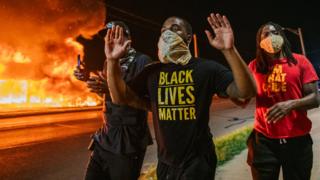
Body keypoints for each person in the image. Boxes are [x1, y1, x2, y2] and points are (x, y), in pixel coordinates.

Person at [104, 13, 256, 180]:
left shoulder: (206, 69)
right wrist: (112, 61)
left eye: (175, 29)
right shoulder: (152, 72)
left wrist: (229, 50)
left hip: (197, 162)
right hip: (165, 164)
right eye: (163, 30)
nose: (167, 33)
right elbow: (121, 98)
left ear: (188, 38)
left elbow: (246, 91)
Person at [74, 21, 153, 180]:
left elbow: (149, 102)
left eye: (116, 35)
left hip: (128, 141)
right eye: (108, 36)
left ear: (128, 38)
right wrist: (89, 80)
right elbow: (107, 97)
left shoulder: (142, 61)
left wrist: (112, 88)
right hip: (105, 137)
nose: (111, 39)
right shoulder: (108, 62)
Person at [244, 22, 320, 180]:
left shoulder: (300, 61)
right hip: (264, 141)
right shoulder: (254, 66)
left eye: (275, 33)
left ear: (283, 37)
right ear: (259, 42)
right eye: (266, 34)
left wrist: (291, 104)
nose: (271, 37)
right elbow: (242, 99)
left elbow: (315, 98)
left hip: (297, 139)